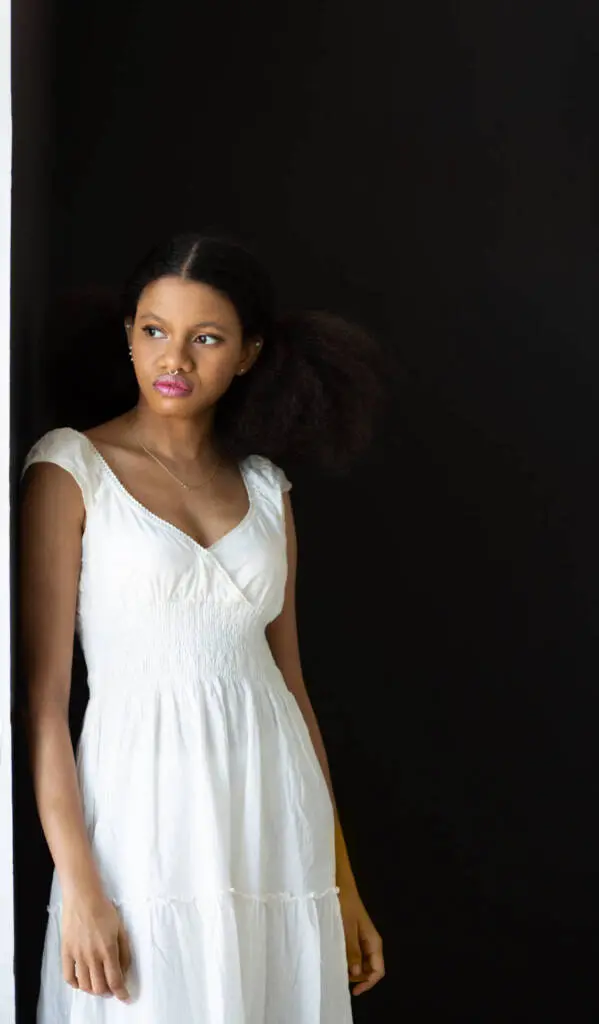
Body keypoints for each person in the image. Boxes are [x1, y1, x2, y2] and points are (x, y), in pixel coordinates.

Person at [20, 232, 385, 1023]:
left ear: (249, 353)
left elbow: (291, 688)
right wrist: (79, 886)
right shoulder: (70, 468)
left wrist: (340, 885)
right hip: (142, 818)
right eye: (153, 330)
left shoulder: (264, 488)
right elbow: (43, 703)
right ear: (127, 334)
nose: (173, 359)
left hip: (272, 817)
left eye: (205, 337)